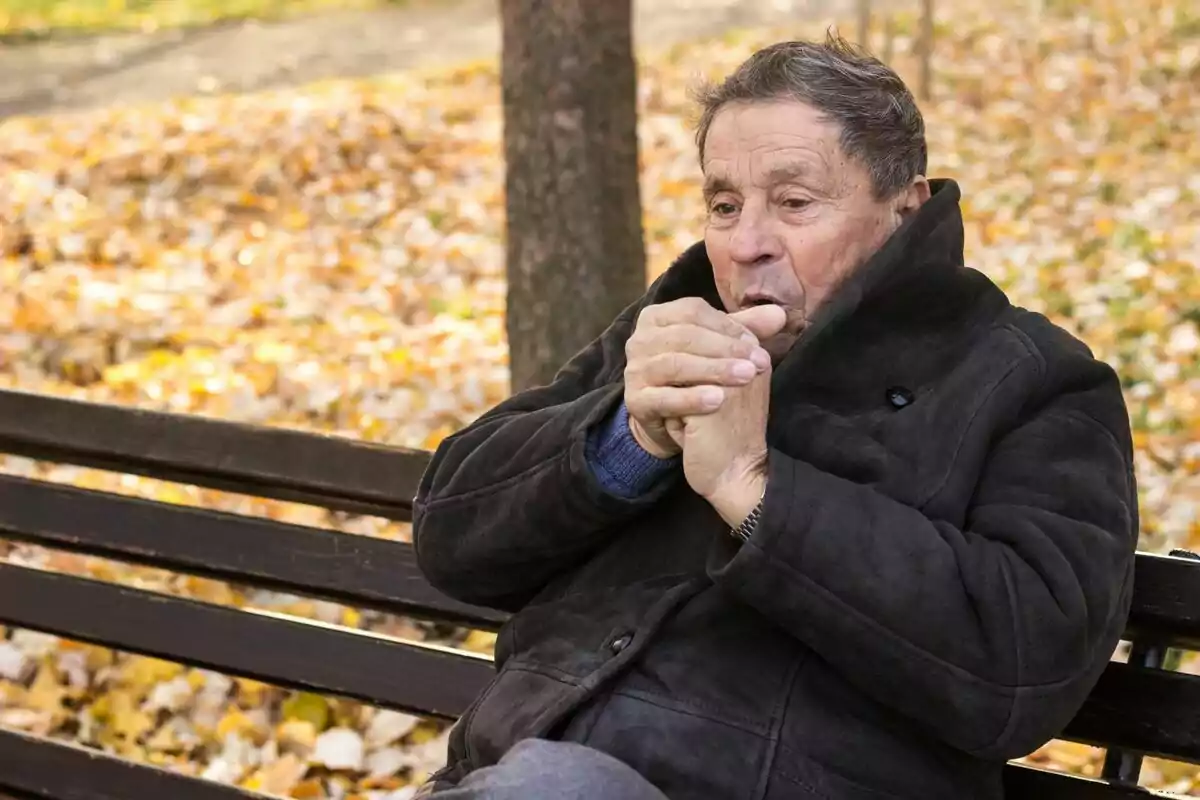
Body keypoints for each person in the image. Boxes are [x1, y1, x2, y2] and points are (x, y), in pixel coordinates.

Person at [411, 32, 1138, 800]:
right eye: (724, 205)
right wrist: (627, 441)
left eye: (794, 203)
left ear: (904, 209)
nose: (747, 244)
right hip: (506, 776)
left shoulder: (1033, 379)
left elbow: (1024, 671)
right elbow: (451, 540)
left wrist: (753, 490)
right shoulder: (668, 326)